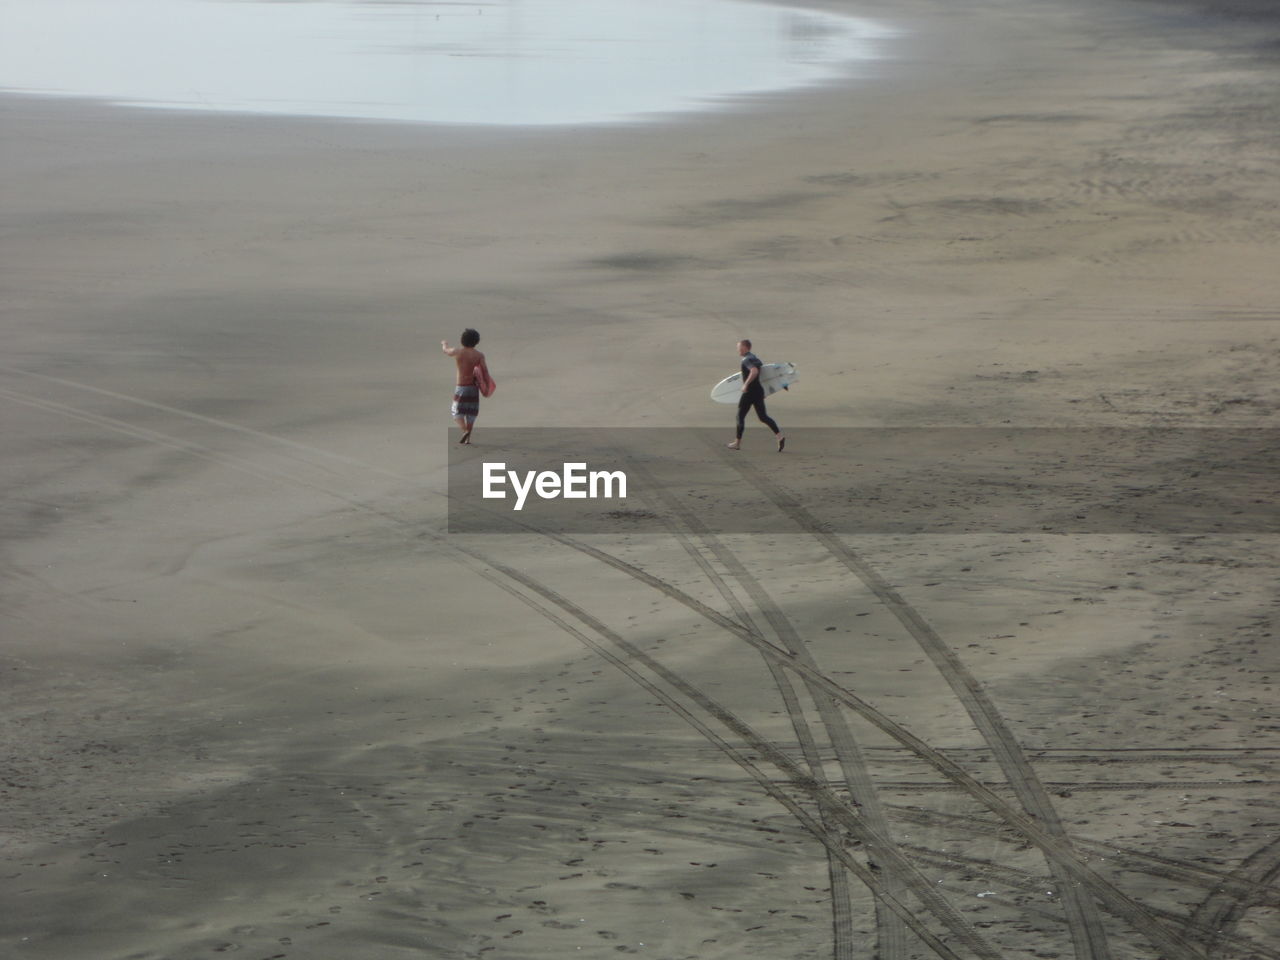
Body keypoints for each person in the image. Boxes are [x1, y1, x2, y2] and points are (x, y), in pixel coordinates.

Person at [727, 338, 785, 452]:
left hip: (749, 393)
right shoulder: (755, 358)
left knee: (740, 416)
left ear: (744, 347)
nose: (737, 350)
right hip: (758, 391)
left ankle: (737, 443)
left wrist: (745, 385)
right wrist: (765, 391)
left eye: (738, 347)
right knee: (763, 417)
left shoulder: (746, 360)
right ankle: (779, 437)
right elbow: (764, 375)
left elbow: (754, 371)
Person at [442, 328, 488, 444]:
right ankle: (468, 438)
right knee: (471, 413)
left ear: (462, 340)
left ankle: (464, 431)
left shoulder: (458, 352)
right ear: (476, 342)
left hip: (461, 387)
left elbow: (446, 351)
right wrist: (486, 386)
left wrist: (444, 344)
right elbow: (485, 372)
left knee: (456, 411)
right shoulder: (479, 355)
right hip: (473, 388)